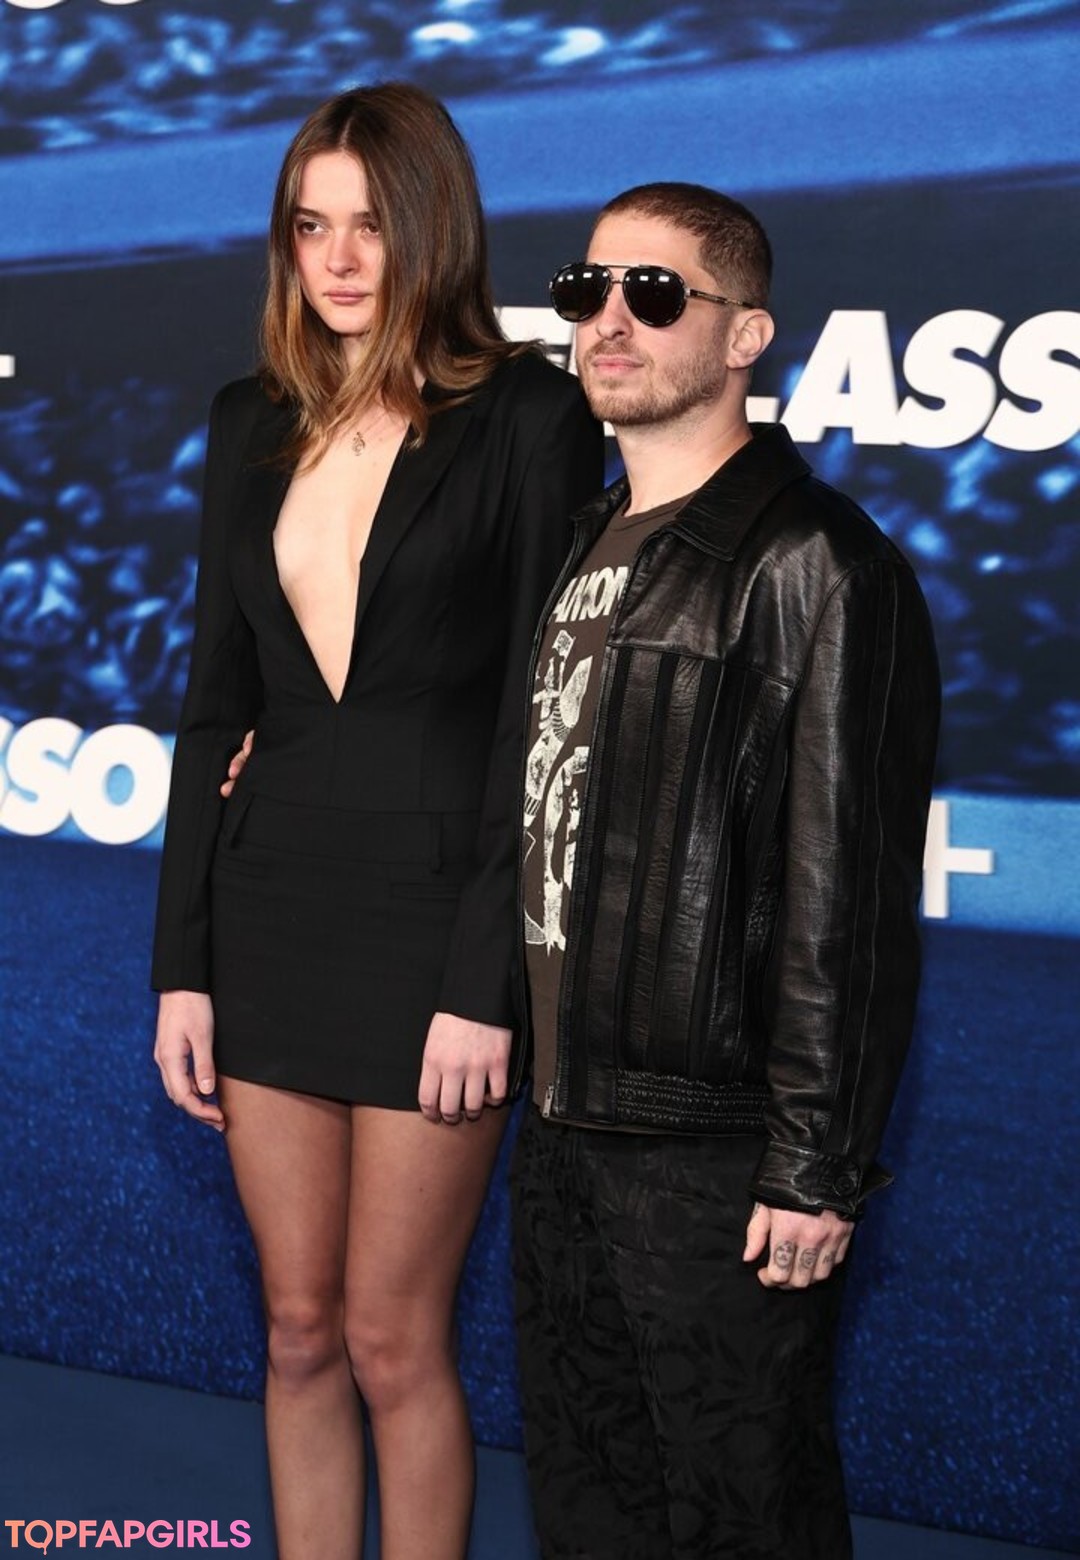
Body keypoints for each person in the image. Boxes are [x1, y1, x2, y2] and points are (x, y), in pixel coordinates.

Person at [150, 83, 603, 1560]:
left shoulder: (529, 416)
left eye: (371, 224)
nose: (339, 258)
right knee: (295, 1330)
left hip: (434, 931)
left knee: (392, 1339)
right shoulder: (246, 421)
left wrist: (488, 985)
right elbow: (213, 709)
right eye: (311, 225)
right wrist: (182, 967)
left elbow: (543, 725)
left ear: (433, 229)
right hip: (270, 907)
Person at [510, 183, 940, 1560]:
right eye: (587, 290)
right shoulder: (584, 540)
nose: (609, 321)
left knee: (745, 1517)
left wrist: (814, 1168)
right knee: (590, 1506)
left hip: (713, 1148)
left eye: (654, 294)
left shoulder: (819, 565)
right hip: (561, 1120)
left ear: (747, 334)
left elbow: (845, 904)